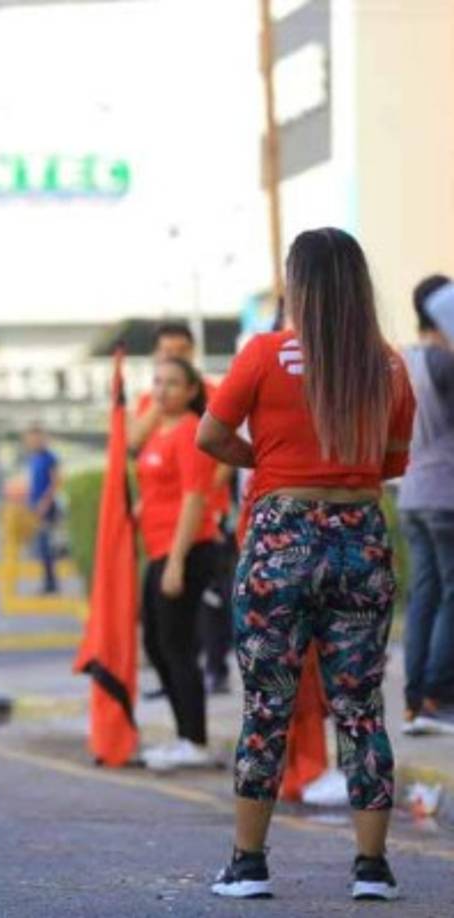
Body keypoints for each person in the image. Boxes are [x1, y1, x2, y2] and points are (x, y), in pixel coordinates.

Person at [199, 228, 414, 901]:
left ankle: (248, 863)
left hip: (280, 535)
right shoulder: (387, 364)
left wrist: (269, 464)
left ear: (300, 286)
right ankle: (372, 869)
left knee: (268, 703)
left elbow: (210, 435)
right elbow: (394, 460)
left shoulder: (264, 355)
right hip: (361, 536)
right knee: (362, 707)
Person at [129, 322, 235, 697]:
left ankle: (216, 669)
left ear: (192, 352)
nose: (172, 355)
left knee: (209, 600)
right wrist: (163, 401)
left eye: (180, 350)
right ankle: (177, 686)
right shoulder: (153, 400)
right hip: (161, 531)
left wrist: (206, 490)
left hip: (204, 515)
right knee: (164, 628)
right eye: (165, 350)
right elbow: (134, 443)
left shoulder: (212, 394)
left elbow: (225, 451)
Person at [135, 357, 219, 771]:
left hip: (184, 550)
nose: (163, 390)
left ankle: (195, 739)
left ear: (191, 391)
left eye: (173, 383)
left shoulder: (189, 431)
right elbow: (139, 459)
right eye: (157, 382)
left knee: (177, 646)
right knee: (155, 643)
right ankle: (184, 734)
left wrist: (177, 562)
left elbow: (194, 497)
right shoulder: (158, 430)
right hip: (158, 549)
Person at [397, 274, 454, 735]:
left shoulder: (404, 359)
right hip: (445, 493)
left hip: (411, 492)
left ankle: (415, 700)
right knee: (451, 593)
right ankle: (438, 693)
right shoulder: (443, 362)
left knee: (423, 596)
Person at [24, 424, 61, 594]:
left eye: (35, 438)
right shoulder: (33, 458)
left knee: (46, 545)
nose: (32, 442)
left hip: (46, 507)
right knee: (40, 546)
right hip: (34, 506)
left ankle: (51, 583)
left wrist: (45, 503)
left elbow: (55, 482)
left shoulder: (49, 458)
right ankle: (47, 581)